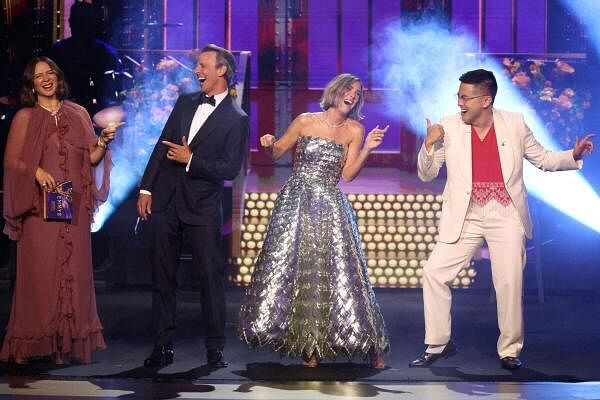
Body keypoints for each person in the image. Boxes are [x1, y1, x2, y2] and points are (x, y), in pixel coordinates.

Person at [410, 69, 594, 370]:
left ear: (486, 99)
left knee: (509, 282)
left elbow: (544, 159)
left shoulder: (514, 123)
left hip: (506, 213)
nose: (460, 103)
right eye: (458, 96)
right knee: (433, 272)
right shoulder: (448, 126)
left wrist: (571, 155)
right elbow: (426, 173)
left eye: (465, 97)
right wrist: (429, 145)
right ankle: (438, 343)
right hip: (465, 214)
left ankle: (509, 350)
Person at [239, 73, 390, 368]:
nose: (353, 95)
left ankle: (367, 344)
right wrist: (268, 142)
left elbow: (347, 175)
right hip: (296, 202)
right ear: (335, 91)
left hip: (330, 205)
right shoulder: (305, 120)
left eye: (358, 93)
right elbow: (276, 152)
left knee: (339, 272)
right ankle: (307, 344)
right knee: (297, 270)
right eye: (349, 89)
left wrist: (369, 148)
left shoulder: (355, 129)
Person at [1, 56, 119, 364]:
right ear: (31, 84)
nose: (46, 78)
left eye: (50, 72)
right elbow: (11, 162)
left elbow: (90, 159)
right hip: (40, 210)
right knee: (40, 276)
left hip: (73, 206)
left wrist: (103, 142)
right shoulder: (25, 117)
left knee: (73, 276)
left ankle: (61, 346)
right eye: (38, 76)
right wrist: (37, 172)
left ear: (58, 76)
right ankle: (29, 344)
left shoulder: (78, 113)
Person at [137, 44, 248, 369]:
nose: (196, 71)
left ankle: (214, 348)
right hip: (167, 200)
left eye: (202, 66)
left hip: (202, 207)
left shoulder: (236, 118)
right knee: (162, 277)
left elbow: (229, 169)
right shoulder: (186, 102)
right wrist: (146, 188)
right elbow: (162, 146)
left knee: (209, 278)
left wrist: (192, 160)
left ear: (221, 70)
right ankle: (162, 347)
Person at [47, 1, 123, 117]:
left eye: (84, 22)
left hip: (99, 117)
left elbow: (115, 92)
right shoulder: (57, 52)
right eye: (78, 22)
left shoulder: (107, 53)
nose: (80, 27)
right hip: (65, 115)